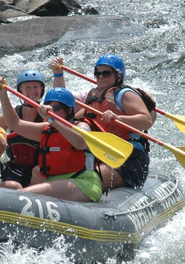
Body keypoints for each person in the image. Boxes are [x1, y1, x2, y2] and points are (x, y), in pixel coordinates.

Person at [51, 54, 154, 192]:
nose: (100, 77)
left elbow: (146, 120)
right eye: (97, 73)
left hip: (128, 158)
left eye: (106, 73)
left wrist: (118, 118)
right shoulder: (94, 97)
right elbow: (67, 113)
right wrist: (58, 75)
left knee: (85, 181)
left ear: (118, 76)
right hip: (102, 155)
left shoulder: (124, 94)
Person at [0, 78, 102, 202]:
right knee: (36, 172)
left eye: (55, 108)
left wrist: (52, 120)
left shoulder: (82, 126)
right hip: (56, 180)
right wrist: (3, 95)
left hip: (82, 182)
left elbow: (80, 143)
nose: (51, 111)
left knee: (20, 196)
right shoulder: (47, 129)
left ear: (69, 110)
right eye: (48, 108)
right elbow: (15, 124)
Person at [0, 70, 45, 188]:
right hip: (14, 170)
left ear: (42, 90)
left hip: (39, 172)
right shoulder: (7, 118)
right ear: (20, 91)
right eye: (27, 87)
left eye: (36, 87)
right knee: (14, 186)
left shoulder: (46, 118)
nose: (32, 91)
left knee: (37, 172)